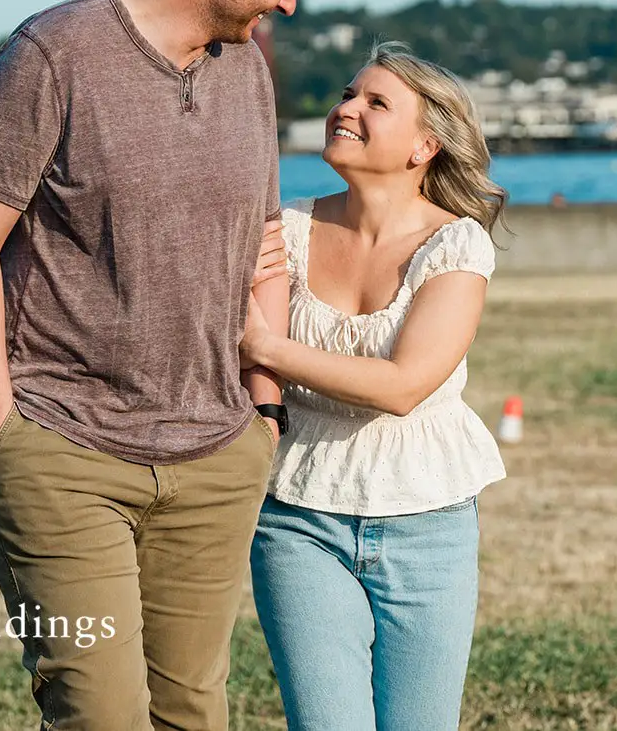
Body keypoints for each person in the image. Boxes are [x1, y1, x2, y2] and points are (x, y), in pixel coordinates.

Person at [0, 0, 345, 731]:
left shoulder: (247, 71)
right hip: (63, 450)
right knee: (100, 714)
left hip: (215, 456)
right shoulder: (54, 55)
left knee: (194, 715)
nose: (290, 4)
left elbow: (264, 248)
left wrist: (264, 409)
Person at [236, 42, 509, 731]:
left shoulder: (457, 246)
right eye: (349, 93)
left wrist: (269, 345)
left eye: (374, 102)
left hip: (430, 521)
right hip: (298, 513)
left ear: (424, 145)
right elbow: (245, 364)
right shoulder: (286, 229)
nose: (346, 108)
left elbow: (403, 384)